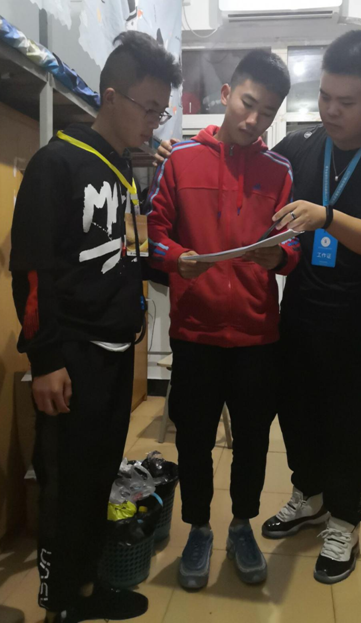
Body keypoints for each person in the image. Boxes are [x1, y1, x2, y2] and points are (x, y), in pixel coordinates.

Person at [10, 31, 182, 623]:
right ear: (111, 96)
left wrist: (174, 265)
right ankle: (60, 605)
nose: (154, 122)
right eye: (148, 108)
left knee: (99, 477)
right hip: (71, 357)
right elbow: (32, 271)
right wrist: (46, 360)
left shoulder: (123, 170)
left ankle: (88, 588)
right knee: (65, 487)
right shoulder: (57, 163)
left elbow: (125, 251)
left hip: (113, 352)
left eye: (161, 111)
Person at [259, 30, 361, 585]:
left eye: (346, 101)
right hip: (301, 311)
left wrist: (327, 218)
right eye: (325, 96)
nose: (330, 110)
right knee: (296, 412)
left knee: (350, 424)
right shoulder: (300, 147)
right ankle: (308, 497)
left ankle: (344, 521)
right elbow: (251, 171)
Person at [148, 49, 300, 590]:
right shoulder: (180, 160)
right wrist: (175, 258)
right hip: (196, 333)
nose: (254, 120)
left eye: (268, 112)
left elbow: (293, 245)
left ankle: (241, 526)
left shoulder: (280, 171)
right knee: (193, 439)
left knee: (253, 441)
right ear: (227, 94)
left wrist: (279, 257)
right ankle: (197, 529)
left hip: (258, 334)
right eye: (248, 104)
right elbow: (154, 231)